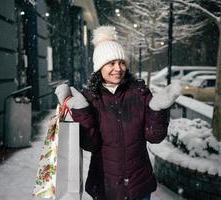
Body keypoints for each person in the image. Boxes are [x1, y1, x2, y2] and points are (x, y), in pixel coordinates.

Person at [54, 26, 182, 200]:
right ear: (99, 66)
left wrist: (157, 109)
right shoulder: (91, 98)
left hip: (139, 186)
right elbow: (91, 144)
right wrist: (81, 110)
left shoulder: (139, 93)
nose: (118, 68)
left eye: (121, 62)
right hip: (105, 187)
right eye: (111, 63)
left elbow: (154, 137)